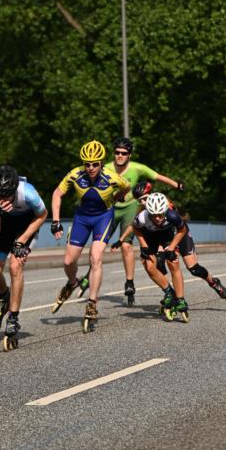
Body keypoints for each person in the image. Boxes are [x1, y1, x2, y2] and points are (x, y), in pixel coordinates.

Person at [78, 137, 184, 305]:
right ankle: (87, 276)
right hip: (110, 209)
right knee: (99, 246)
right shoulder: (105, 168)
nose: (120, 156)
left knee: (126, 245)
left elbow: (158, 177)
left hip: (129, 208)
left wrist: (176, 185)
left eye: (124, 153)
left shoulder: (137, 168)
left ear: (129, 155)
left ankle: (129, 283)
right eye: (117, 153)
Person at [50, 140, 128, 332]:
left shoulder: (112, 177)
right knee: (68, 262)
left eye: (95, 164)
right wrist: (56, 221)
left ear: (102, 163)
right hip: (82, 218)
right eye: (87, 164)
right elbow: (57, 194)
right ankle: (72, 283)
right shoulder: (75, 175)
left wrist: (117, 198)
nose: (91, 167)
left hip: (103, 218)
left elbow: (126, 187)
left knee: (96, 258)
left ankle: (92, 302)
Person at [116, 182, 226, 304]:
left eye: (145, 199)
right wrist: (126, 240)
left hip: (177, 233)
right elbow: (136, 226)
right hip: (162, 235)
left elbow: (176, 231)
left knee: (193, 268)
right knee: (156, 263)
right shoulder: (144, 213)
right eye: (140, 201)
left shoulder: (167, 208)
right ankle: (170, 293)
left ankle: (213, 282)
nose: (143, 203)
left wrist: (169, 248)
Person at [0, 164, 48, 348]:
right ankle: (4, 295)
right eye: (0, 195)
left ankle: (13, 317)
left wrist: (22, 240)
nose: (3, 199)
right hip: (3, 225)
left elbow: (43, 215)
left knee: (15, 266)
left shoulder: (28, 192)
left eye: (7, 196)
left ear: (14, 190)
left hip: (25, 225)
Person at [131, 191, 190, 321]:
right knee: (149, 265)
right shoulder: (142, 217)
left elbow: (182, 230)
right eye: (154, 215)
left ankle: (180, 299)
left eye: (160, 215)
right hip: (149, 236)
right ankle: (169, 292)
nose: (157, 218)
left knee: (173, 262)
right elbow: (135, 228)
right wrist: (143, 245)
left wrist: (172, 247)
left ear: (164, 210)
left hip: (167, 234)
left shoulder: (172, 215)